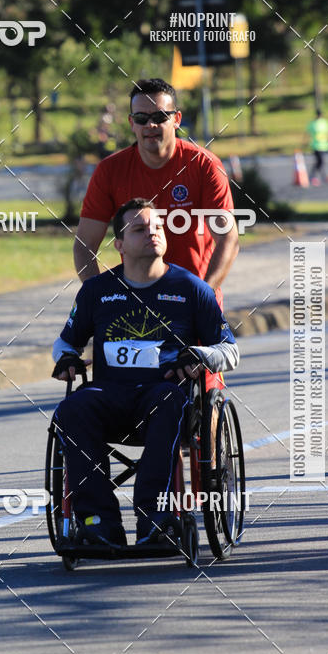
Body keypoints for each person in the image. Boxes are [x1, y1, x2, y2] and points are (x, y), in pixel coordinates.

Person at [52, 199, 239, 548]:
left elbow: (230, 350)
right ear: (119, 245)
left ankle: (157, 518)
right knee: (71, 410)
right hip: (109, 396)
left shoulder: (192, 289)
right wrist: (66, 360)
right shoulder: (97, 291)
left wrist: (198, 354)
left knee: (167, 402)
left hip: (163, 394)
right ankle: (97, 523)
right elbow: (65, 343)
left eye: (157, 228)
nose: (152, 233)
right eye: (140, 229)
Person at [74, 78, 238, 391]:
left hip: (193, 297)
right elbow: (84, 247)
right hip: (134, 305)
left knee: (204, 398)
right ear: (131, 124)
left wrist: (203, 294)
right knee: (131, 396)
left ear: (176, 119)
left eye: (160, 117)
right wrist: (102, 299)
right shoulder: (110, 171)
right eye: (141, 119)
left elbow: (228, 240)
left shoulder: (203, 166)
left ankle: (207, 438)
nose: (151, 125)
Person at [306, 109, 328, 185]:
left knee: (320, 162)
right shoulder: (313, 123)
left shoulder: (325, 123)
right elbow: (307, 133)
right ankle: (321, 177)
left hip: (324, 145)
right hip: (316, 145)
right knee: (320, 161)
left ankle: (314, 176)